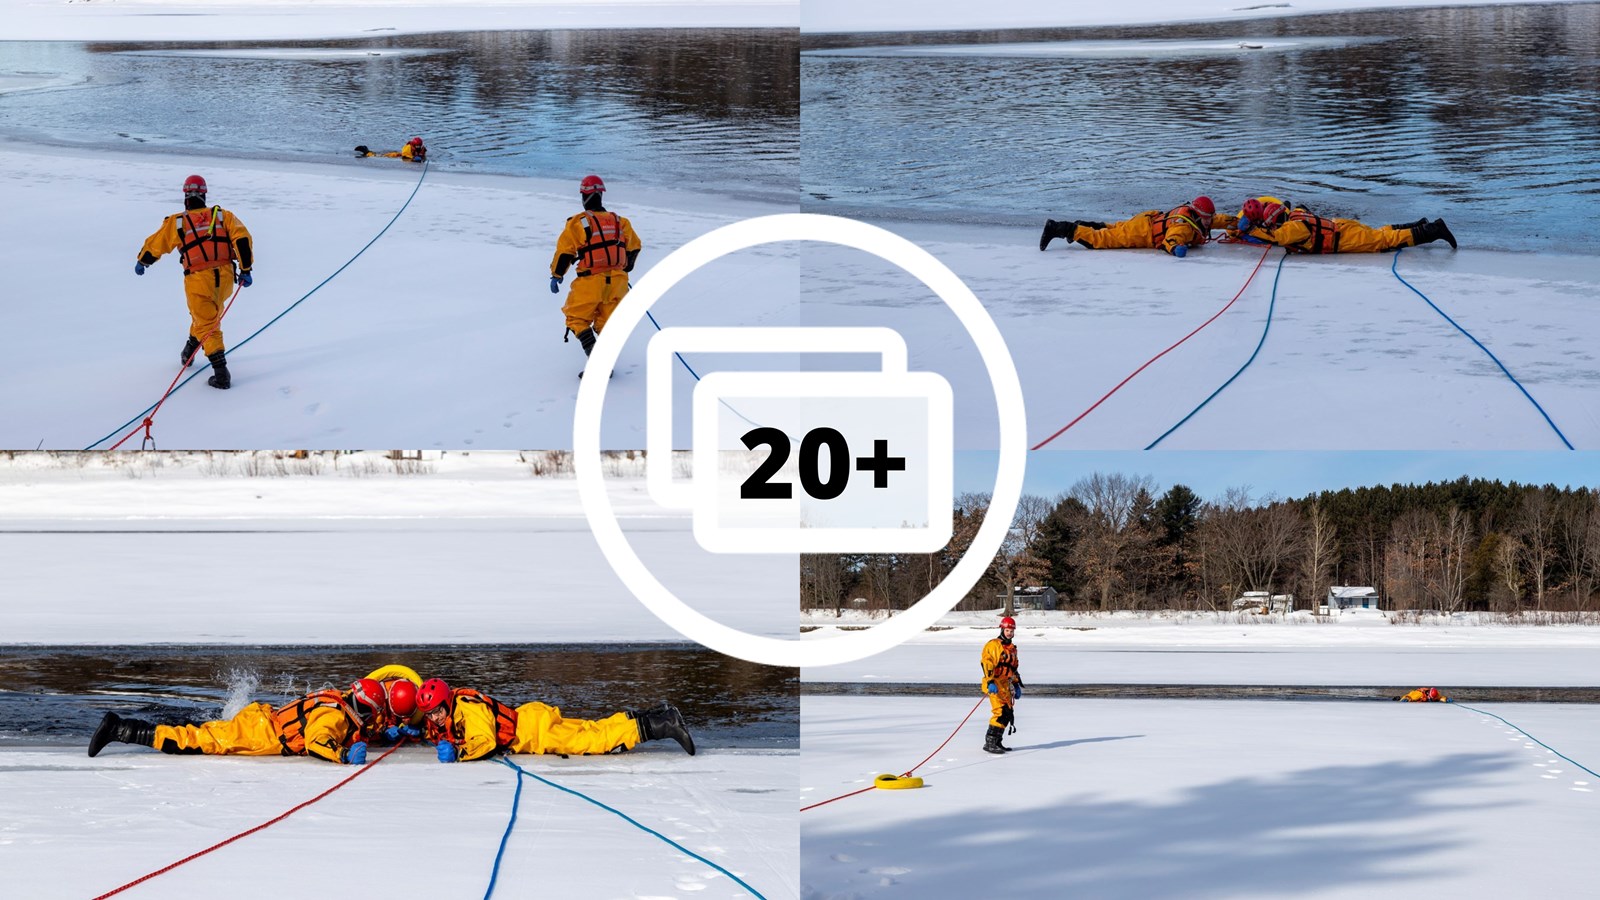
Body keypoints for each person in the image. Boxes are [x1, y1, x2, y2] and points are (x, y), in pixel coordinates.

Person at [86, 680, 397, 764]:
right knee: (193, 742)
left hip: (262, 719)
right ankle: (120, 728)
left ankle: (126, 728)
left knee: (198, 733)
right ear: (364, 708)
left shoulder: (338, 701)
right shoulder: (334, 716)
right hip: (259, 734)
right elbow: (318, 741)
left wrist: (383, 733)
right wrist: (342, 755)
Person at [135, 174, 253, 389]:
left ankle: (221, 374)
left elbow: (156, 244)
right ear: (204, 194)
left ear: (185, 195)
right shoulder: (223, 216)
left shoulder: (178, 222)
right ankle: (190, 349)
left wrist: (143, 261)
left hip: (198, 279)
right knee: (206, 314)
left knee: (207, 322)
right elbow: (242, 238)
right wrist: (245, 269)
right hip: (225, 278)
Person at [414, 678, 694, 762]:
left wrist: (459, 753)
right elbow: (442, 730)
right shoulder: (452, 709)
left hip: (536, 734)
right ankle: (653, 713)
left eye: (437, 711)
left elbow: (485, 742)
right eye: (430, 714)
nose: (435, 717)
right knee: (591, 728)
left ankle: (661, 725)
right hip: (532, 719)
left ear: (446, 701)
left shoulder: (468, 708)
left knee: (594, 742)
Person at [549, 175, 642, 368]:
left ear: (583, 196)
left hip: (590, 281)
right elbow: (634, 248)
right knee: (608, 324)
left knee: (576, 318)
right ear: (601, 194)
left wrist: (557, 275)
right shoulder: (620, 222)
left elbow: (565, 253)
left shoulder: (579, 222)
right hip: (618, 282)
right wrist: (624, 268)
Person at [1232, 196, 1456, 253]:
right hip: (1341, 225)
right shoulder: (1296, 215)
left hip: (1344, 239)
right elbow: (1298, 206)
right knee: (1378, 232)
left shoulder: (1292, 229)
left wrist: (1251, 229)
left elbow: (1278, 238)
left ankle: (1432, 230)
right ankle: (1416, 224)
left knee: (1383, 241)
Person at [1039, 196, 1216, 257]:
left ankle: (1083, 226)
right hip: (1142, 233)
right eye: (1207, 218)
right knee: (1104, 240)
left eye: (1210, 218)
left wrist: (1239, 222)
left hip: (1148, 218)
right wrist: (1176, 249)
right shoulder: (1183, 228)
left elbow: (1220, 219)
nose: (1210, 221)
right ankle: (1059, 228)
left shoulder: (1197, 216)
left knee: (1114, 228)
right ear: (1199, 215)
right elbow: (1169, 241)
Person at [979, 616, 1023, 754]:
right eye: (1007, 630)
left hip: (1005, 684)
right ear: (1002, 629)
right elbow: (987, 664)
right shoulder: (993, 645)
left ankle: (997, 741)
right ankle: (990, 742)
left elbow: (1013, 668)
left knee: (1007, 713)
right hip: (995, 683)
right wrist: (991, 681)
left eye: (1011, 631)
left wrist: (1016, 684)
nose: (1009, 633)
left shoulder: (1011, 648)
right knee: (1000, 712)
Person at [354, 136, 427, 162]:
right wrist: (417, 157)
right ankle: (366, 151)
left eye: (419, 146)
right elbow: (407, 157)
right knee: (376, 155)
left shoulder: (419, 148)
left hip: (398, 154)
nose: (418, 148)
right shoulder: (408, 148)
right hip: (394, 155)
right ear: (414, 145)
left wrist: (422, 154)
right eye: (417, 146)